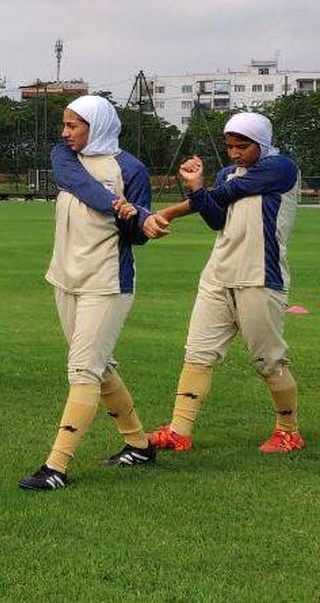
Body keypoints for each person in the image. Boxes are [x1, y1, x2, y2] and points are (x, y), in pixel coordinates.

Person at [19, 95, 157, 491]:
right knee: (99, 366)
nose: (65, 133)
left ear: (96, 126)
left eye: (73, 126)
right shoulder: (64, 157)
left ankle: (56, 467)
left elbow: (135, 237)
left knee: (84, 371)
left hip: (106, 283)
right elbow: (75, 183)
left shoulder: (132, 169)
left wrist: (142, 223)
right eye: (64, 125)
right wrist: (118, 204)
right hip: (64, 279)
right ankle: (139, 445)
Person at [145, 112, 304, 454]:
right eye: (230, 146)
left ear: (261, 142)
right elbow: (216, 216)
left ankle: (289, 431)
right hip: (218, 275)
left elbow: (228, 193)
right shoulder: (228, 173)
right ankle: (178, 431)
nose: (234, 154)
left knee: (268, 361)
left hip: (260, 277)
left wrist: (184, 201)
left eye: (242, 146)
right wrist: (199, 190)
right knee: (198, 353)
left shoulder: (282, 168)